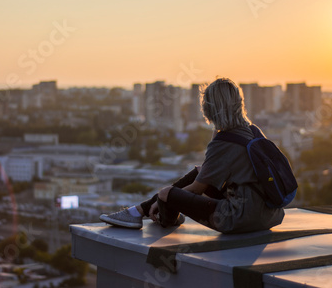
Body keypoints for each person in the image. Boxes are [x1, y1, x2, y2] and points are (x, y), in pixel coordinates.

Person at [100, 78, 284, 234]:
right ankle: (141, 211)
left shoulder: (224, 142)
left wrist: (164, 198)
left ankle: (155, 215)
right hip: (269, 215)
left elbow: (197, 188)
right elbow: (206, 173)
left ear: (210, 107)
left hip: (241, 218)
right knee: (199, 172)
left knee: (167, 193)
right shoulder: (252, 131)